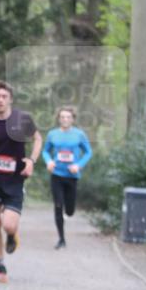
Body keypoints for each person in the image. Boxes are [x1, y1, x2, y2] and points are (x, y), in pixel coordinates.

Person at [0, 80, 42, 283]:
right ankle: (1, 267)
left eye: (4, 96)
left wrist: (31, 161)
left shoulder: (22, 119)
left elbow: (38, 139)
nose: (0, 100)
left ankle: (13, 236)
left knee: (8, 225)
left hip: (14, 181)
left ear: (10, 99)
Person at [42, 105, 93, 248]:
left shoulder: (79, 134)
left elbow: (88, 152)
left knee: (69, 211)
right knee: (58, 205)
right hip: (57, 174)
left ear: (73, 119)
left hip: (72, 176)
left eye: (68, 117)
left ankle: (68, 211)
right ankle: (61, 239)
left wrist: (79, 165)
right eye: (62, 117)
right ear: (58, 119)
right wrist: (49, 161)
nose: (65, 119)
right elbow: (45, 151)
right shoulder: (52, 134)